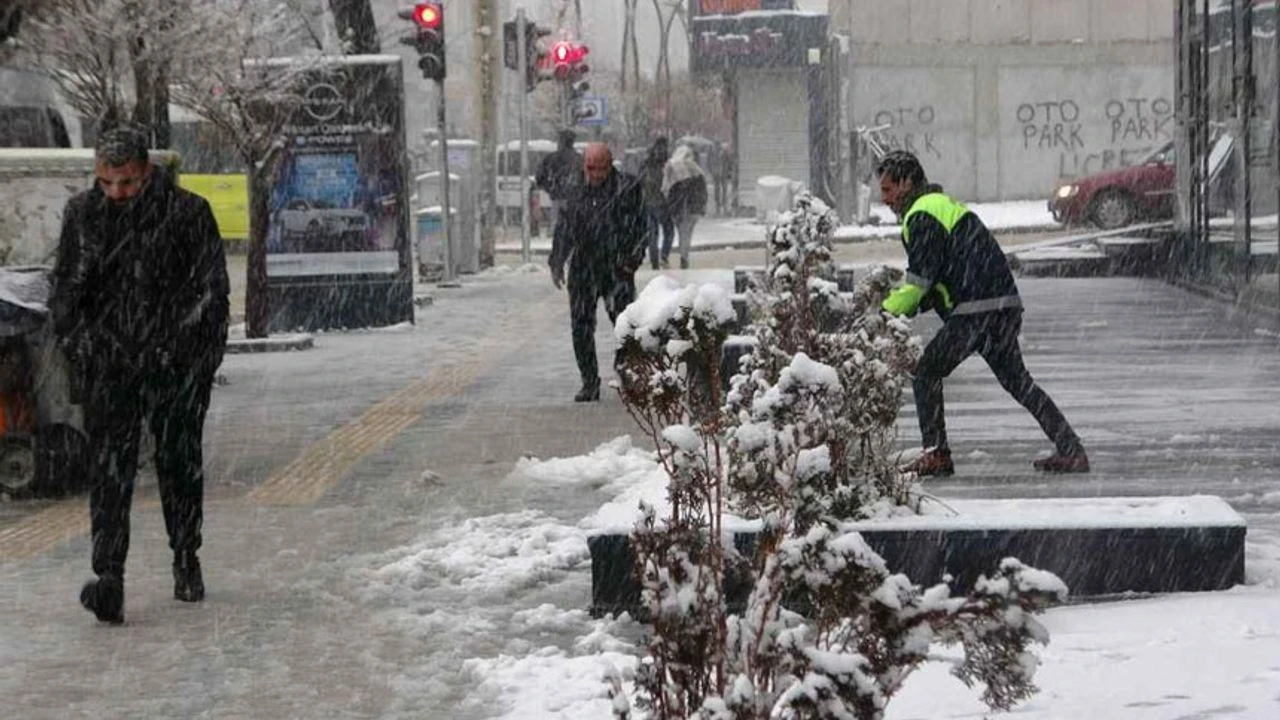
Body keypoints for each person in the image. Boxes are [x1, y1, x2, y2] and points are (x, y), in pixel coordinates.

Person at [50, 126, 230, 624]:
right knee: (109, 474)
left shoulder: (187, 212)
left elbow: (213, 292)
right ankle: (109, 576)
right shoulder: (83, 215)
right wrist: (82, 347)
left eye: (126, 182)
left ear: (146, 172)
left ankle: (185, 555)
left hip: (174, 365)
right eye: (106, 182)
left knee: (179, 463)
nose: (116, 193)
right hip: (109, 366)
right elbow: (64, 291)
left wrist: (195, 359)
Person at [876, 150, 1088, 477]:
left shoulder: (921, 215)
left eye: (888, 189)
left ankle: (937, 454)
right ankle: (1071, 450)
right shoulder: (941, 206)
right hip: (1001, 305)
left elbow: (920, 282)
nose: (884, 198)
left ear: (906, 183)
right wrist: (915, 300)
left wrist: (881, 313)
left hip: (976, 311)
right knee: (1019, 383)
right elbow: (941, 277)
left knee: (926, 372)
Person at [549, 143, 647, 402]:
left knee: (625, 324)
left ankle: (628, 374)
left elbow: (641, 228)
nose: (596, 174)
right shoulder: (576, 190)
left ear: (610, 165)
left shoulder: (626, 188)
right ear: (585, 166)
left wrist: (632, 260)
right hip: (584, 267)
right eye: (590, 168)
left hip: (617, 266)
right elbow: (564, 228)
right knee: (581, 326)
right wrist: (557, 260)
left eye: (601, 168)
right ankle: (589, 381)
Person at [662, 145, 708, 269]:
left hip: (678, 208)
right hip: (693, 208)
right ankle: (684, 256)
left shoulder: (671, 168)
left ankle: (683, 256)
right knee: (687, 233)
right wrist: (702, 206)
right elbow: (703, 191)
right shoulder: (697, 170)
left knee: (682, 233)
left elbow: (666, 188)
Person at [534, 129, 582, 237]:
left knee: (556, 225)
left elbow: (540, 176)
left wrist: (549, 188)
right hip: (574, 198)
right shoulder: (579, 159)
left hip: (557, 196)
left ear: (561, 142)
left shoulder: (552, 158)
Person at [639, 136, 674, 269]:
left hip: (648, 202)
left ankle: (654, 261)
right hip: (662, 202)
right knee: (668, 229)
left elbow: (639, 181)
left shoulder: (646, 162)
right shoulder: (667, 161)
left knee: (653, 232)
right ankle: (664, 256)